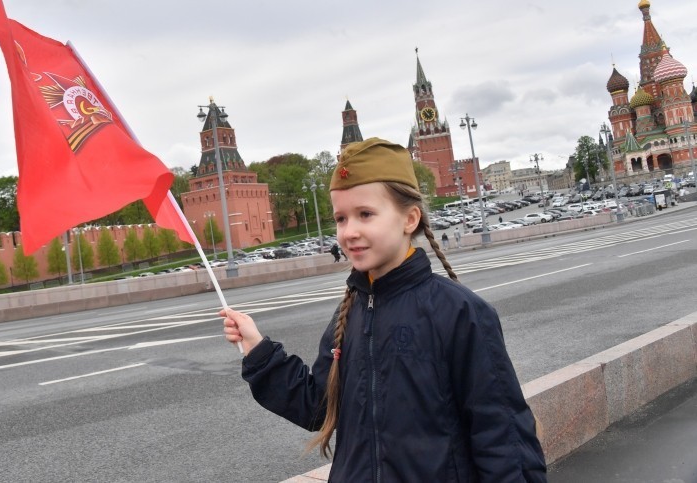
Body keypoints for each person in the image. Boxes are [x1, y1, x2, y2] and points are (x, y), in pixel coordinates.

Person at [221, 138, 546, 482]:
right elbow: (318, 406)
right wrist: (258, 351)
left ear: (410, 219)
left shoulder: (460, 312)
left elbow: (503, 438)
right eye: (341, 218)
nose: (350, 232)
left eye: (365, 214)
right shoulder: (347, 316)